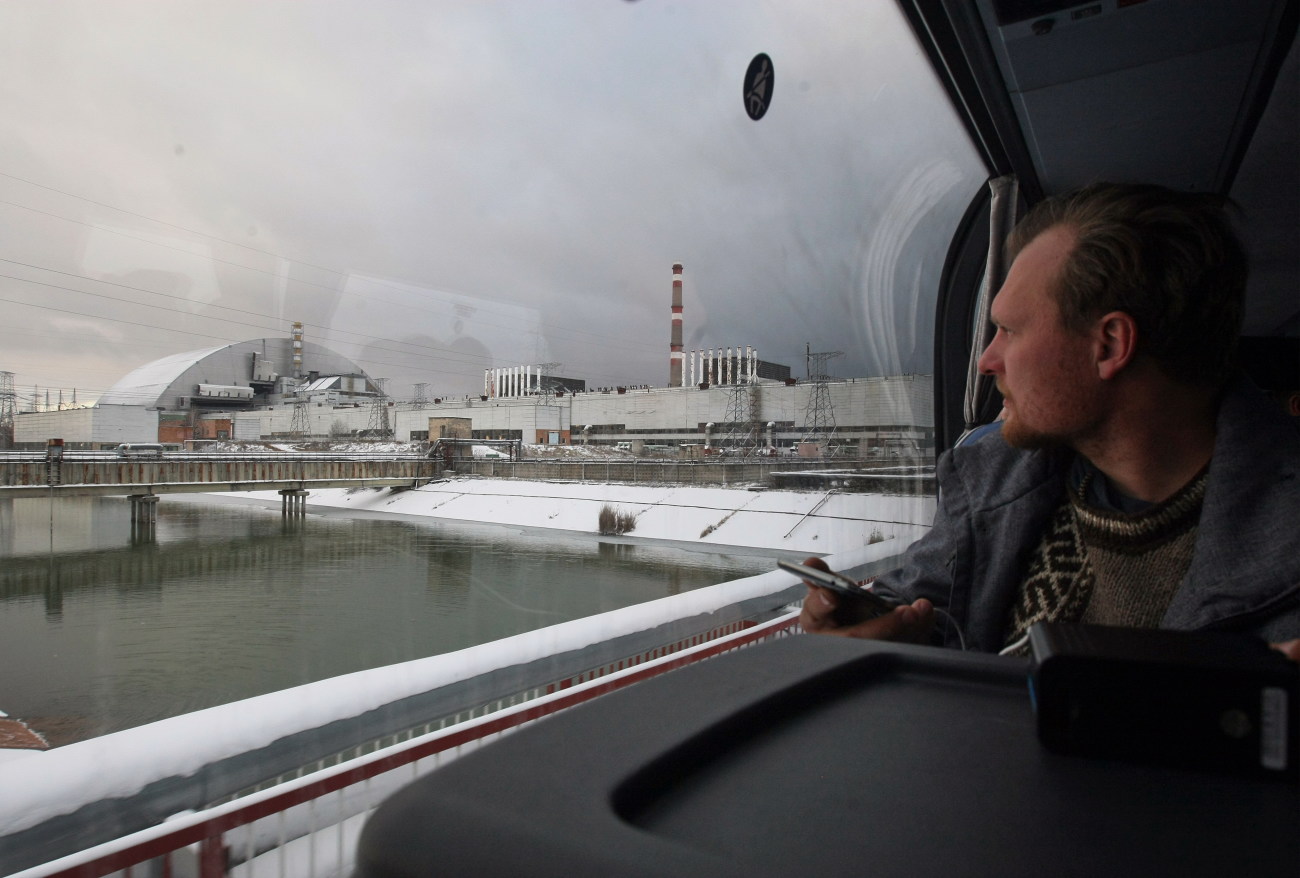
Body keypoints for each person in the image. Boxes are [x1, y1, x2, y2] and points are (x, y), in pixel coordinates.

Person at [800, 182, 1300, 656]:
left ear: (1108, 346)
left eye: (1009, 331)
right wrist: (870, 635)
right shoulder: (990, 484)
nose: (986, 360)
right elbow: (919, 608)